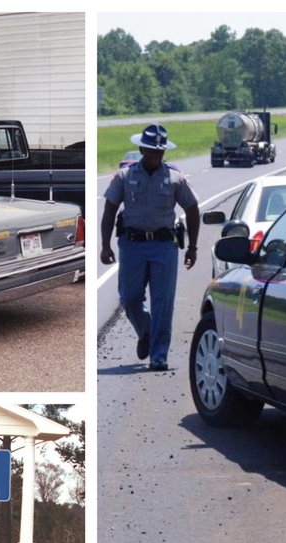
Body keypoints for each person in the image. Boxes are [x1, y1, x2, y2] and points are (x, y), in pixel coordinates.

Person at [100, 122, 200, 371]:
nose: (155, 156)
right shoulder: (125, 176)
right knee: (129, 297)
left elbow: (192, 209)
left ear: (164, 152)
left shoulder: (175, 178)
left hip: (164, 246)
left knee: (163, 302)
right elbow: (110, 209)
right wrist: (105, 245)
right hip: (132, 246)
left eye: (159, 152)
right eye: (150, 150)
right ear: (142, 150)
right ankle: (145, 330)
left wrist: (193, 247)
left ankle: (158, 355)